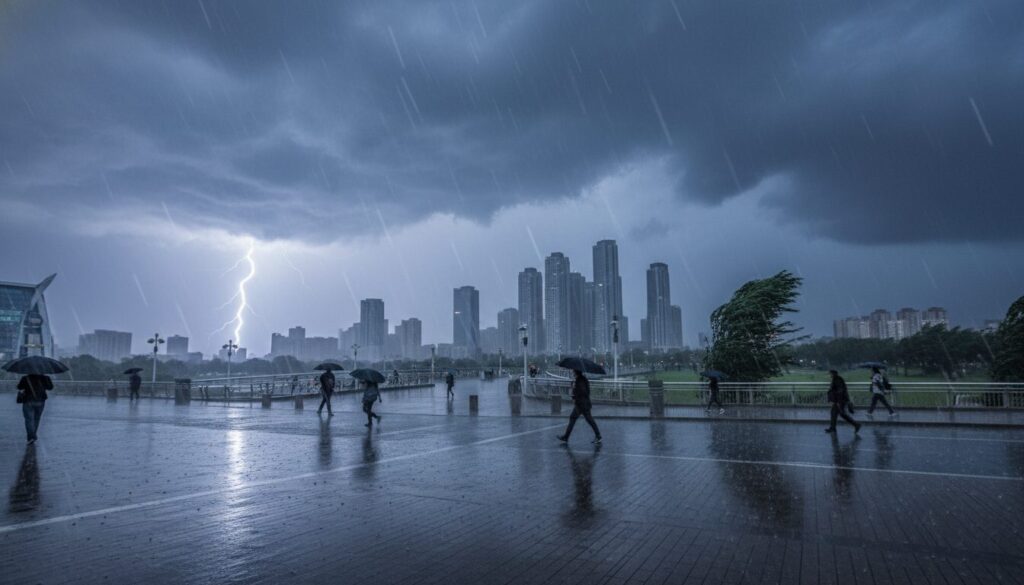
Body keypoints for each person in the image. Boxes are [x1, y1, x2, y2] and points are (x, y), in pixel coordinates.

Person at [557, 369, 602, 444]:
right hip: (583, 404)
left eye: (573, 371)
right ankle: (566, 437)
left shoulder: (580, 381)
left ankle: (566, 437)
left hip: (581, 404)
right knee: (587, 419)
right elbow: (585, 391)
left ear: (576, 372)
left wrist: (575, 395)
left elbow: (582, 391)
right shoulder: (582, 379)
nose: (572, 372)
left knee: (582, 419)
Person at [16, 373, 52, 444]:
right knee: (36, 418)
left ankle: (31, 437)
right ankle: (33, 435)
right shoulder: (45, 378)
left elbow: (19, 387)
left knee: (29, 419)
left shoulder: (25, 378)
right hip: (40, 401)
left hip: (28, 401)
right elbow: (50, 387)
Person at [825, 370, 861, 434]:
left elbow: (840, 391)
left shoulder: (838, 380)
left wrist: (838, 401)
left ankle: (856, 424)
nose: (829, 375)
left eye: (830, 374)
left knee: (842, 414)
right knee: (834, 413)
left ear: (833, 374)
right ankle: (833, 428)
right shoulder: (836, 379)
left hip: (840, 400)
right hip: (838, 400)